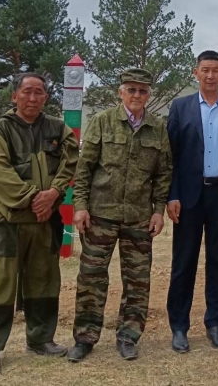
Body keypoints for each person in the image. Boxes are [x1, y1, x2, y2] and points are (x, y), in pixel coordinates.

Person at [67, 68, 171, 363]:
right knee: (91, 277)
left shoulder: (157, 128)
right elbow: (84, 168)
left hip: (139, 217)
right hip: (101, 214)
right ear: (120, 92)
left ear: (149, 95)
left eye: (143, 91)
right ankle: (85, 337)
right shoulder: (102, 122)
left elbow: (164, 173)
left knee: (137, 280)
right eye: (131, 90)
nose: (137, 95)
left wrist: (158, 211)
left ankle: (128, 336)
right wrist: (81, 206)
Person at [0, 72, 79, 376]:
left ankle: (40, 339)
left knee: (44, 282)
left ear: (46, 98)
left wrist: (54, 193)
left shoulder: (57, 129)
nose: (33, 98)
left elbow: (70, 161)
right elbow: (0, 175)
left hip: (46, 221)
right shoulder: (1, 130)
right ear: (15, 96)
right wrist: (35, 199)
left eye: (39, 93)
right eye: (27, 92)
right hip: (9, 222)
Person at [165, 50, 218, 352]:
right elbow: (169, 157)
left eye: (215, 70)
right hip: (188, 196)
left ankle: (215, 321)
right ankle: (179, 326)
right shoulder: (180, 107)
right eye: (205, 70)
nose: (210, 75)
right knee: (183, 261)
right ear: (195, 73)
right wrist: (172, 194)